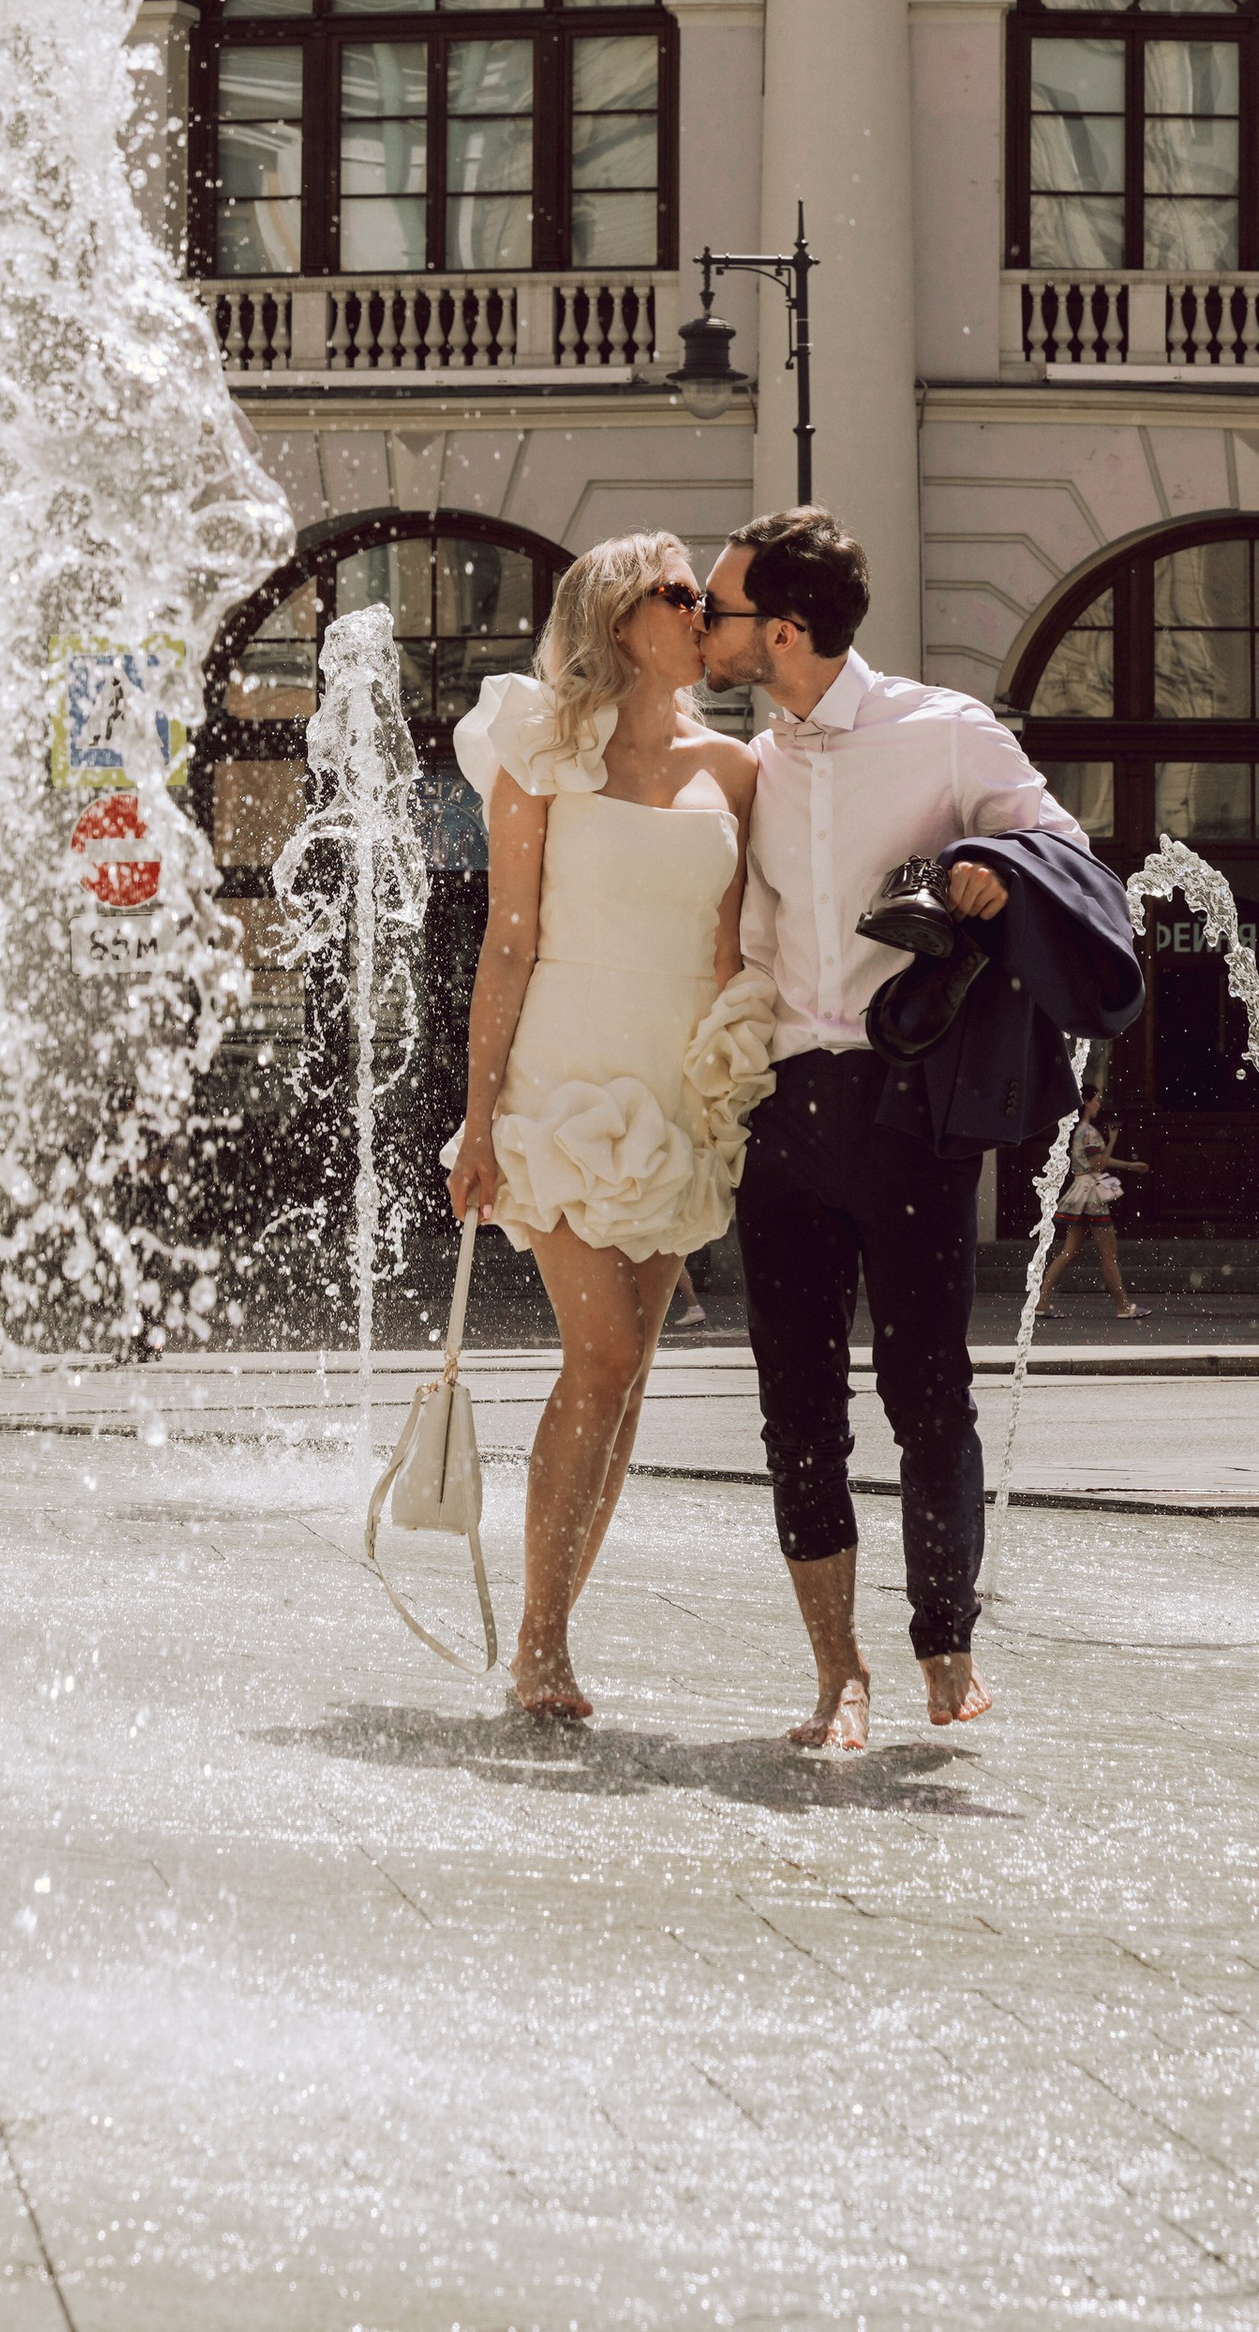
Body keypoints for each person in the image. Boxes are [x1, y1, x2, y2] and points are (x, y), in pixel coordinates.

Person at [700, 505, 1091, 1749]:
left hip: (907, 1099)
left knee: (930, 1394)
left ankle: (945, 1643)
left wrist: (991, 868)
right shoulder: (754, 759)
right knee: (795, 1403)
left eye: (718, 609)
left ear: (786, 626)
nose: (704, 627)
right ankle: (836, 1672)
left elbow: (1067, 850)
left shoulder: (944, 731)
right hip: (782, 1112)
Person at [445, 534, 768, 1719]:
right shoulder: (539, 753)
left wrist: (739, 1085)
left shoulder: (735, 770)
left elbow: (734, 946)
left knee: (626, 1382)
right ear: (624, 618)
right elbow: (508, 938)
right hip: (563, 1081)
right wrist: (478, 1121)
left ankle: (555, 1631)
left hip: (677, 1086)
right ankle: (539, 1640)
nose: (706, 615)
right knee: (608, 1354)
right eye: (682, 596)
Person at [1034, 1105, 1142, 1322]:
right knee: (1109, 1253)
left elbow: (1095, 1162)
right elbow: (1098, 1164)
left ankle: (1041, 1302)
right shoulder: (1089, 1132)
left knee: (1069, 1252)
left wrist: (1129, 1165)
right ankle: (1123, 1306)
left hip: (1080, 1192)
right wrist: (1112, 1140)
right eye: (1095, 1101)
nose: (1098, 1105)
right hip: (1091, 1196)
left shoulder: (1078, 1131)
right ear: (1087, 1101)